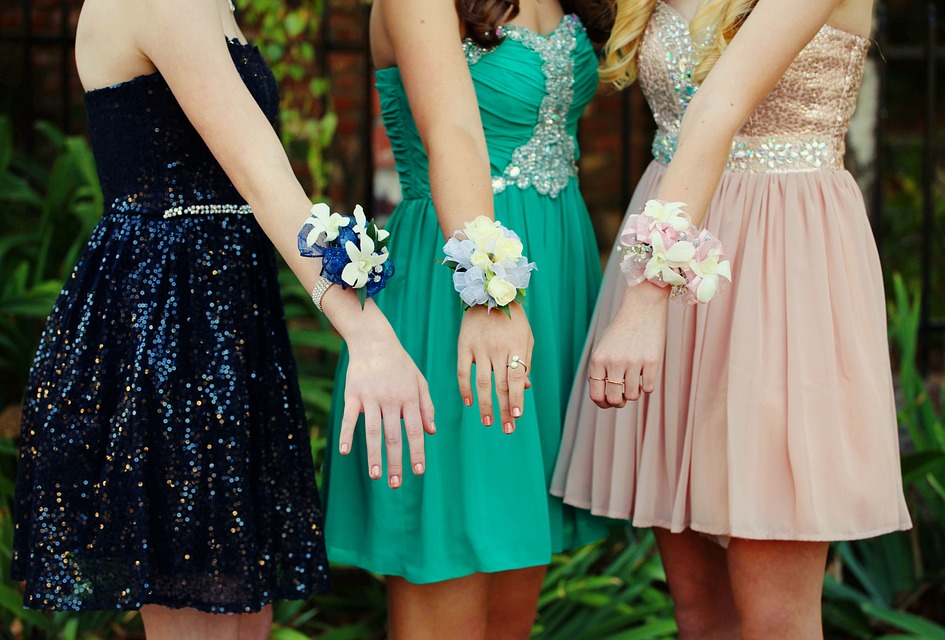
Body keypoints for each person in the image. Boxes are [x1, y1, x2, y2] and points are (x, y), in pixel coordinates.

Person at [11, 0, 433, 637]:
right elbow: (262, 179)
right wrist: (368, 332)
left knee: (244, 617)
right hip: (167, 324)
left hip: (229, 321)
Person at [551, 0, 912, 637]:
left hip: (784, 269)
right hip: (675, 242)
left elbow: (719, 108)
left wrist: (645, 300)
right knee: (697, 612)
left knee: (775, 618)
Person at [323, 0, 609, 637]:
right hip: (459, 284)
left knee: (512, 557)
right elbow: (452, 129)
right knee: (451, 553)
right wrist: (489, 291)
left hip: (557, 279)